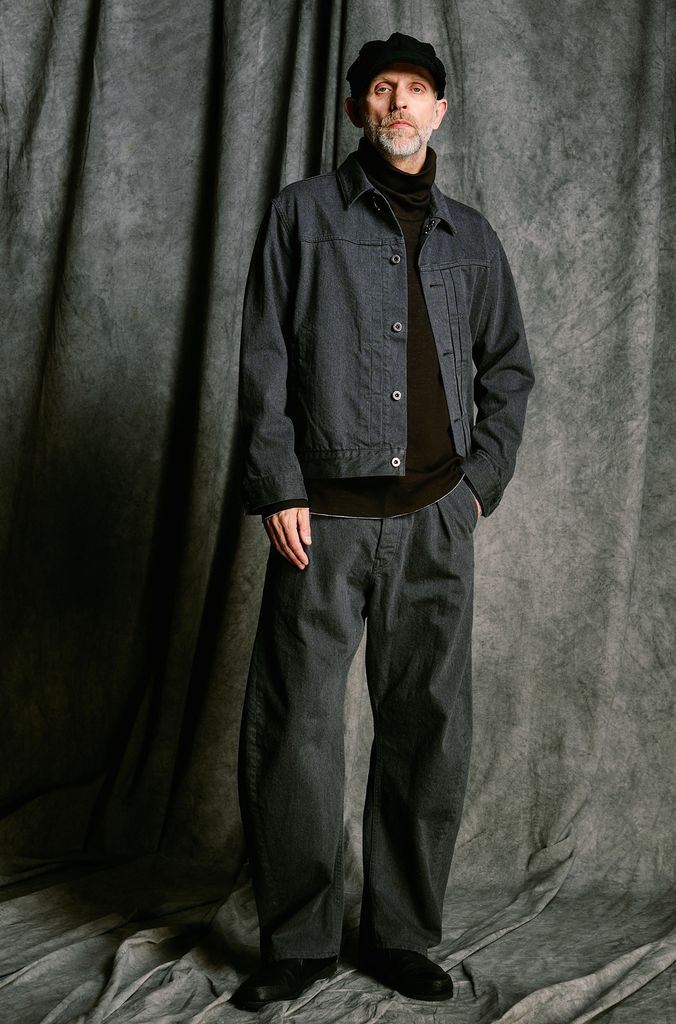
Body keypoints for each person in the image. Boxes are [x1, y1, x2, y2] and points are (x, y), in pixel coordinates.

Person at [232, 31, 534, 1010]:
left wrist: (477, 486)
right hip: (320, 518)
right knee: (295, 729)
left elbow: (509, 368)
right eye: (381, 89)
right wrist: (277, 484)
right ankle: (298, 940)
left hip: (435, 519)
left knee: (427, 730)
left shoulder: (471, 237)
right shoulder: (302, 215)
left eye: (415, 90)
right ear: (357, 107)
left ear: (440, 110)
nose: (398, 104)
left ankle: (402, 934)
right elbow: (264, 358)